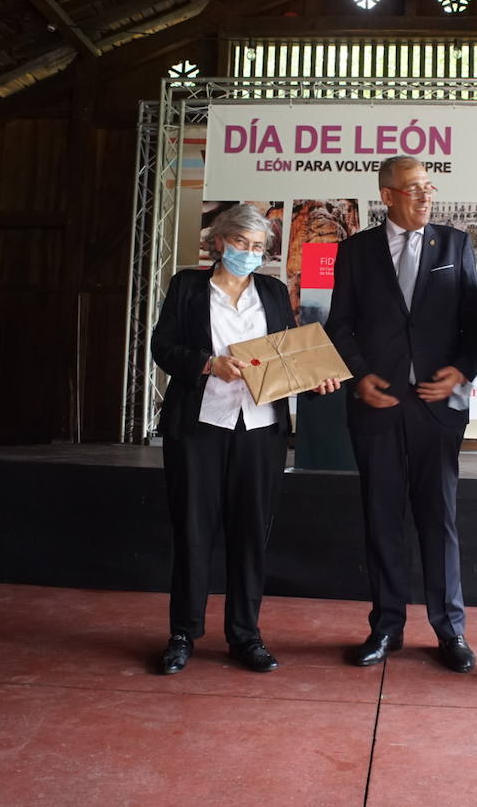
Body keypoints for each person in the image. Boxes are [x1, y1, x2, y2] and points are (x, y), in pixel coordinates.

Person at [151, 204, 339, 675]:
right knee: (194, 530)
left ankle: (245, 635)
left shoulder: (274, 291)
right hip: (199, 426)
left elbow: (289, 353)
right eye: (241, 244)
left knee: (251, 533)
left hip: (260, 429)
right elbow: (162, 346)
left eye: (258, 248)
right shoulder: (188, 286)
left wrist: (314, 376)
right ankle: (183, 633)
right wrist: (206, 363)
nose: (249, 254)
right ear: (220, 242)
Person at [324, 156, 477, 672]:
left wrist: (461, 373)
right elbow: (340, 325)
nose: (426, 196)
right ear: (388, 195)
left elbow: (475, 328)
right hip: (376, 407)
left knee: (439, 519)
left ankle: (450, 631)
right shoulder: (354, 251)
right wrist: (357, 375)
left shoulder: (455, 244)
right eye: (414, 189)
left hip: (437, 409)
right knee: (382, 517)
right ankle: (386, 627)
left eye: (429, 187)